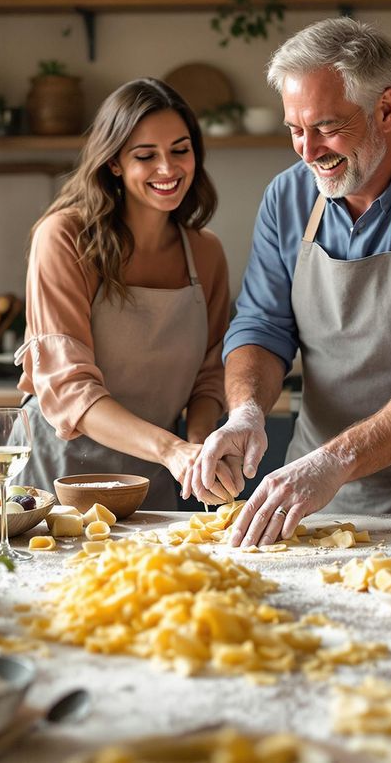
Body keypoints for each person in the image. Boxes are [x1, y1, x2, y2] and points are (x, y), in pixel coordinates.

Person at [187, 17, 391, 546]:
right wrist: (245, 411)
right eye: (295, 128)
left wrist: (336, 461)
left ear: (385, 109)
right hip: (310, 497)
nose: (307, 150)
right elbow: (262, 327)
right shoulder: (287, 197)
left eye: (327, 127)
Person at [16, 78, 236, 509]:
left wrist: (199, 449)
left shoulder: (205, 253)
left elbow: (210, 377)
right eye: (145, 156)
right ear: (114, 162)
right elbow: (70, 389)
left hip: (150, 478)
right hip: (57, 478)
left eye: (180, 149)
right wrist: (173, 451)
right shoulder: (64, 238)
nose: (168, 169)